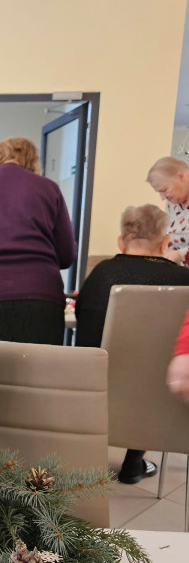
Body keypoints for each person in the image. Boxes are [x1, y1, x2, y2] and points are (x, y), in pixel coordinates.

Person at [75, 203, 189, 483]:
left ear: (121, 242)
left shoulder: (101, 274)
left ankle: (86, 462)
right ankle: (133, 463)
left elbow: (82, 321)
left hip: (96, 393)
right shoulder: (183, 280)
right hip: (161, 400)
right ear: (165, 241)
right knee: (149, 375)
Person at [0, 136, 77, 344]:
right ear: (33, 161)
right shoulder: (49, 189)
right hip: (41, 295)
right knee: (41, 364)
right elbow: (67, 255)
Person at [146, 156, 189, 266]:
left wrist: (180, 254)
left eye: (164, 190)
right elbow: (173, 234)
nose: (162, 197)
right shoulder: (174, 203)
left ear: (181, 176)